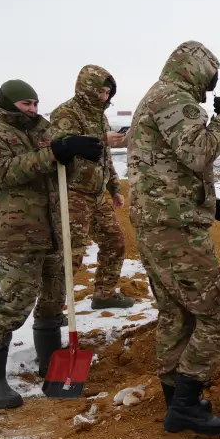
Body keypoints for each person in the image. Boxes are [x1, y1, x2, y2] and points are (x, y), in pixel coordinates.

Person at [127, 40, 220, 436]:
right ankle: (186, 405)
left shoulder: (155, 98)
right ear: (196, 70)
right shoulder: (173, 99)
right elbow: (198, 152)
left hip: (158, 223)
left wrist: (217, 209)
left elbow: (170, 171)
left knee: (176, 314)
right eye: (210, 80)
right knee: (216, 316)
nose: (210, 90)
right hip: (175, 231)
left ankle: (175, 400)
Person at [0, 79, 103, 409]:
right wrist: (53, 152)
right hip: (17, 234)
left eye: (36, 103)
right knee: (14, 304)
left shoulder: (44, 129)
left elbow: (58, 172)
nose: (33, 109)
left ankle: (50, 364)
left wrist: (69, 156)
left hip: (55, 229)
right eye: (26, 104)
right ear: (9, 103)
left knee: (55, 299)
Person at [50, 65, 133, 310]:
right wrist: (101, 137)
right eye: (100, 91)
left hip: (96, 195)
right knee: (72, 254)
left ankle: (104, 294)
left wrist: (115, 188)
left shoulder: (101, 116)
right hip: (72, 193)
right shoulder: (65, 113)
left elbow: (104, 158)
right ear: (87, 88)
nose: (104, 97)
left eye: (108, 92)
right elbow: (61, 149)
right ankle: (51, 310)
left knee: (114, 241)